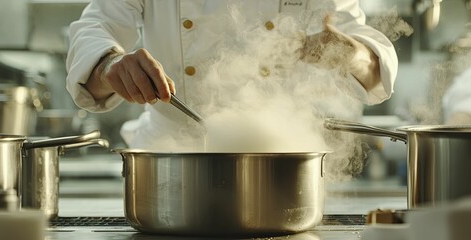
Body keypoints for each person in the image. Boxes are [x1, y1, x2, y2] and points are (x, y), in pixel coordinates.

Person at [66, 0, 398, 149]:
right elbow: (96, 26)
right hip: (171, 156)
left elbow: (373, 69)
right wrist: (110, 64)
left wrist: (349, 53)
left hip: (275, 157)